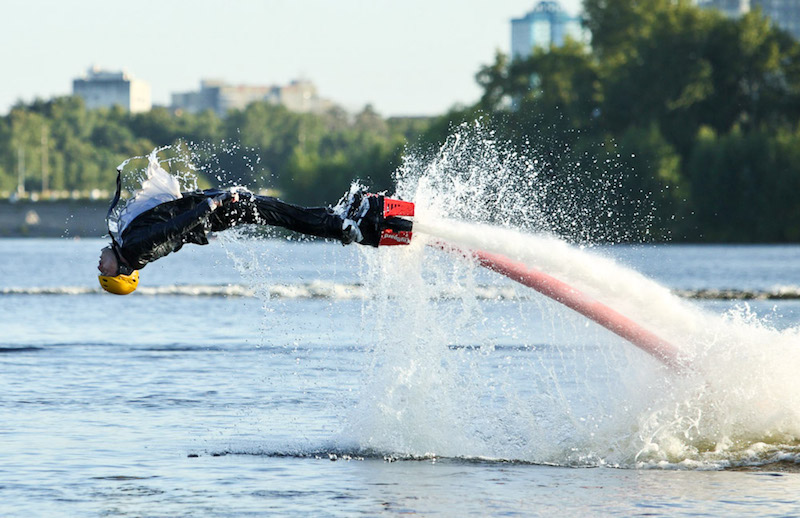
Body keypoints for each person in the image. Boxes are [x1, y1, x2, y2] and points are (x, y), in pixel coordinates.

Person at [97, 165, 386, 295]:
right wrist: (211, 205)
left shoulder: (128, 244)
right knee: (281, 214)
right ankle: (345, 229)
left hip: (214, 207)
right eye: (104, 271)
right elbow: (174, 228)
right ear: (119, 272)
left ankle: (340, 219)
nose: (100, 264)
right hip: (219, 210)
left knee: (281, 211)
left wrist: (209, 202)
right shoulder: (137, 250)